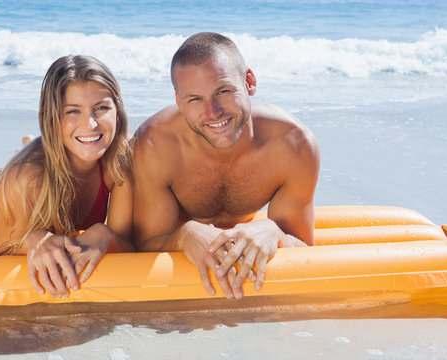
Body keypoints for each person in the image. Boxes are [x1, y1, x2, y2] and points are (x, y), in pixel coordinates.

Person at [132, 32, 320, 299]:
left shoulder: (293, 145)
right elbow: (141, 248)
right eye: (194, 99)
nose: (213, 112)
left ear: (249, 82)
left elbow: (304, 251)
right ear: (178, 101)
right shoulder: (155, 145)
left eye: (223, 91)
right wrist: (182, 236)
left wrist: (274, 231)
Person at [0, 55, 135, 298]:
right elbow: (0, 247)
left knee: (70, 150)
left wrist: (105, 233)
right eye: (72, 111)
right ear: (51, 118)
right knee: (30, 170)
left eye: (101, 108)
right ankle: (29, 148)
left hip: (59, 160)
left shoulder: (121, 159)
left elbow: (128, 246)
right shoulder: (25, 177)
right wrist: (31, 238)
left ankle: (35, 144)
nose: (90, 124)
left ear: (117, 110)